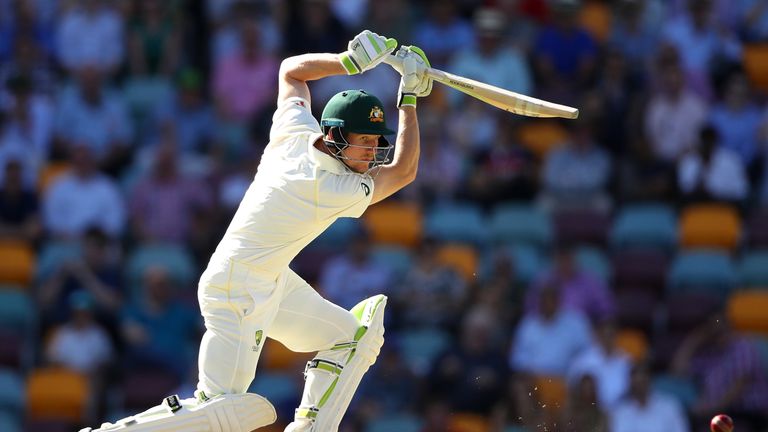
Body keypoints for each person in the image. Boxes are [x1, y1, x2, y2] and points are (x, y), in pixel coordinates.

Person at [80, 30, 432, 432]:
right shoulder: (329, 187)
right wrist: (409, 99)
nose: (371, 152)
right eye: (364, 142)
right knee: (222, 414)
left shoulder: (295, 132)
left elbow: (292, 73)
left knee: (354, 338)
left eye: (375, 142)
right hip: (238, 290)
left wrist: (347, 63)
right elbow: (403, 171)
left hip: (269, 281)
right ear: (334, 136)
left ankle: (312, 427)